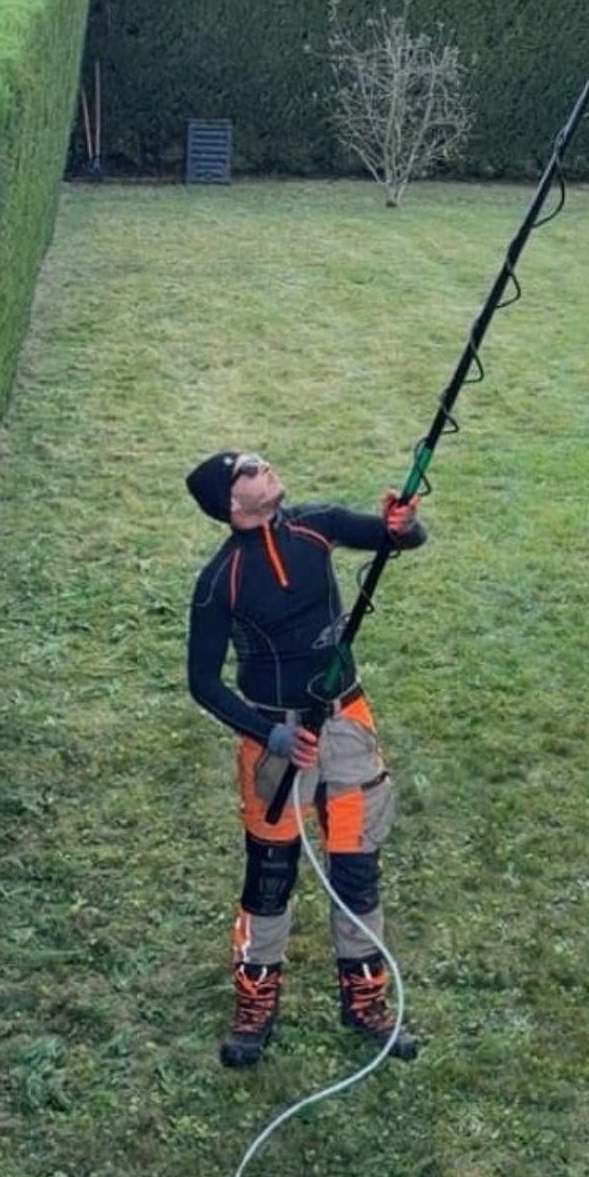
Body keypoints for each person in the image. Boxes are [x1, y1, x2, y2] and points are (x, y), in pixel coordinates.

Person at [185, 448, 426, 1069]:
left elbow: (397, 539)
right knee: (270, 876)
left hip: (346, 722)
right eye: (247, 469)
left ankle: (365, 999)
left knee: (355, 866)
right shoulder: (221, 581)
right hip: (276, 739)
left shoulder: (316, 525)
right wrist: (272, 736)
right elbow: (203, 682)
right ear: (233, 504)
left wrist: (403, 525)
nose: (261, 464)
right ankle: (255, 1004)